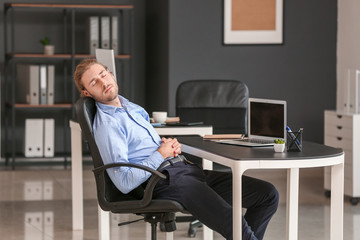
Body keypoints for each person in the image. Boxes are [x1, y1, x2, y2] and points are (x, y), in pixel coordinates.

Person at [74, 58, 279, 240]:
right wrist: (160, 154)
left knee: (267, 194)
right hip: (160, 181)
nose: (103, 82)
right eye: (94, 82)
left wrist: (168, 147)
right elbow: (124, 183)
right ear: (87, 92)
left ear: (110, 73)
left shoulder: (131, 108)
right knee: (231, 221)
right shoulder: (107, 125)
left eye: (103, 74)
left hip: (184, 169)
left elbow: (146, 147)